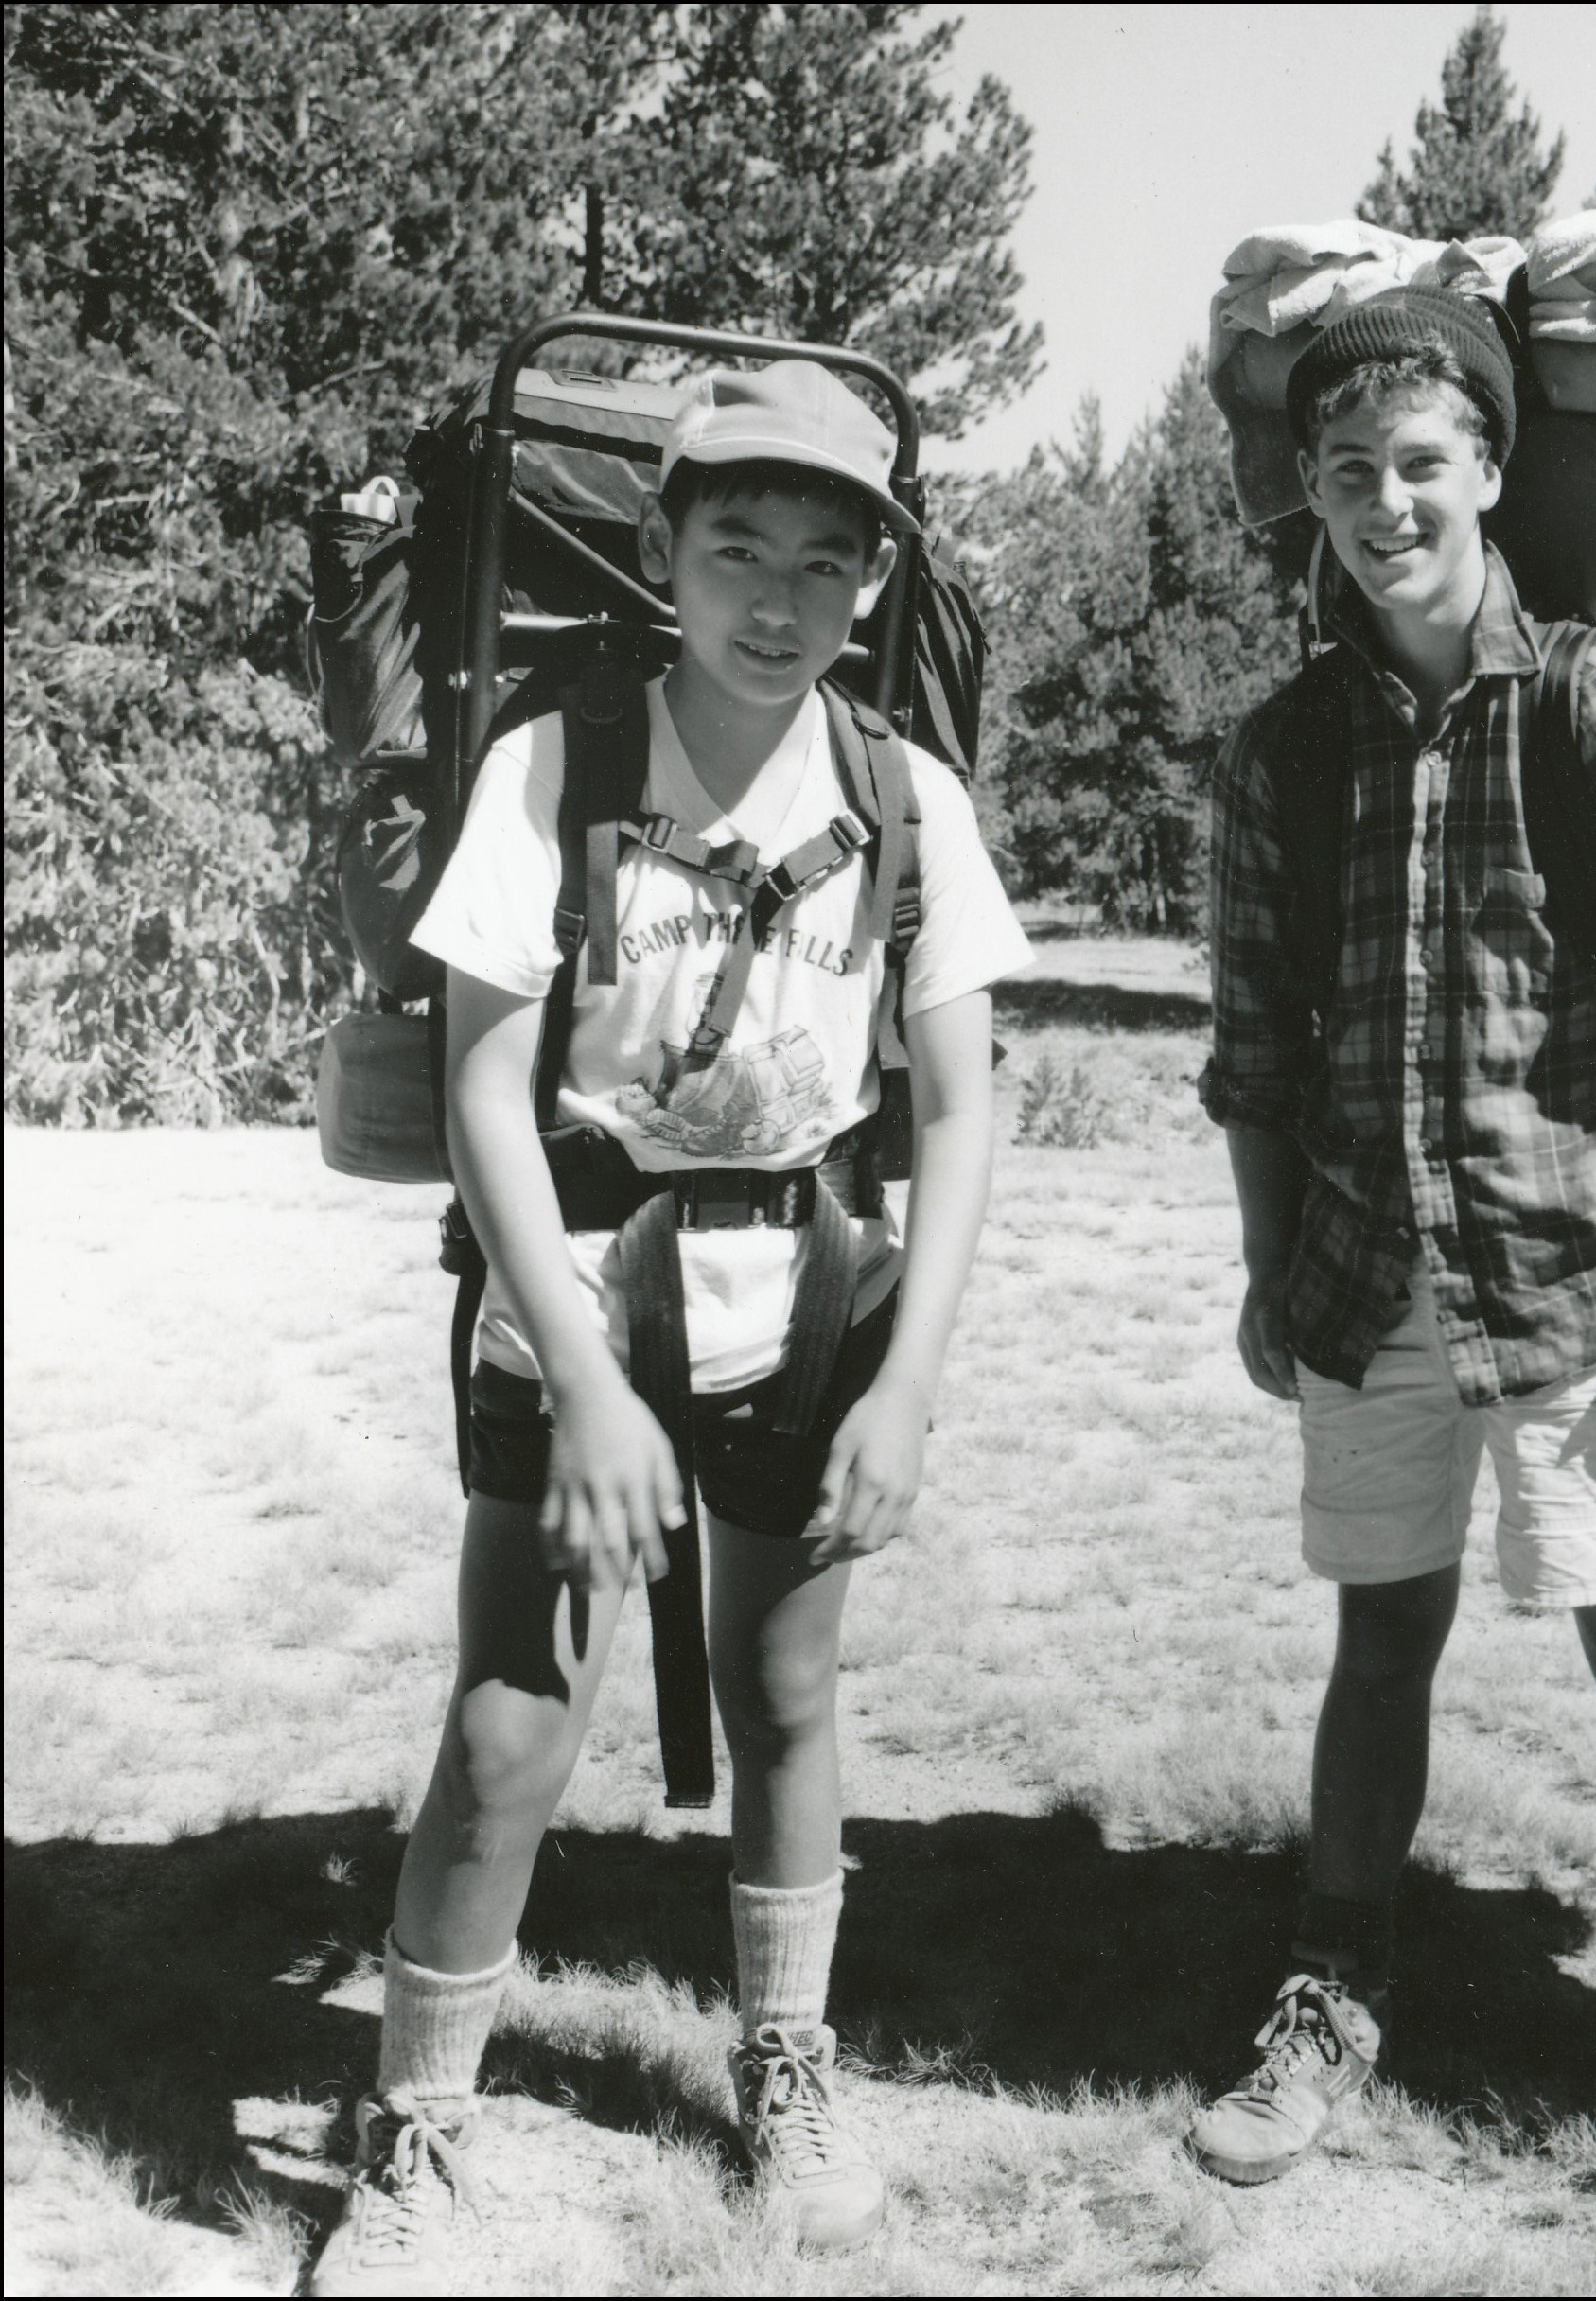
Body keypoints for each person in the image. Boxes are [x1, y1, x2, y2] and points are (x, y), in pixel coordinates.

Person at [309, 362, 1030, 2294]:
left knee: (791, 1696)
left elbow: (959, 1108)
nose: (778, 600)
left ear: (874, 582)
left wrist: (913, 1380)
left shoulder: (906, 796)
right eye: (737, 549)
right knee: (510, 1718)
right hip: (579, 1279)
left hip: (806, 1289)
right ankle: (419, 2129)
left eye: (823, 559)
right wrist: (586, 1379)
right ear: (662, 551)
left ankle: (786, 2064)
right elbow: (482, 1094)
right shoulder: (557, 760)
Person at [1191, 285, 1596, 2277]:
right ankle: (1331, 1997)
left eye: (1425, 467)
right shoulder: (1281, 747)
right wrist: (1271, 1257)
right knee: (1381, 1648)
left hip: (1582, 1284)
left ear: (1489, 476)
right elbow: (1256, 1044)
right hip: (1369, 1279)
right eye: (1351, 473)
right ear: (1310, 490)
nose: (1389, 505)